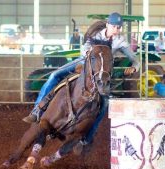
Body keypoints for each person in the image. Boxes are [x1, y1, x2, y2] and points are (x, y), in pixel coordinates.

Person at [22, 12, 139, 145]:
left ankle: (86, 138)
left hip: (100, 73)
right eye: (114, 26)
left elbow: (136, 61)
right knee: (55, 75)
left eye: (119, 27)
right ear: (108, 25)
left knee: (105, 103)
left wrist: (134, 68)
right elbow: (83, 51)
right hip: (84, 63)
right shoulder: (96, 35)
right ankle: (37, 110)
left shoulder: (120, 41)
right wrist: (89, 53)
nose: (117, 30)